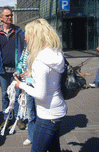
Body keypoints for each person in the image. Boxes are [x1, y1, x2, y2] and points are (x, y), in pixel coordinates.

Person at [13, 18, 68, 152]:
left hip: (47, 115)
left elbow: (40, 94)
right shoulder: (56, 53)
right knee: (54, 148)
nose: (25, 38)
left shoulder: (40, 61)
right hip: (58, 109)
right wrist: (31, 77)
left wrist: (20, 85)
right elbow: (50, 82)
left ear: (35, 37)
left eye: (27, 35)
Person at [0, 6, 26, 130]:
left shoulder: (19, 32)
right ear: (1, 18)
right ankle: (7, 117)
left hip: (17, 70)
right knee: (5, 94)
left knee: (17, 95)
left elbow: (25, 49)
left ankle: (18, 118)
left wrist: (24, 67)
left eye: (11, 15)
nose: (10, 17)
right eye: (7, 15)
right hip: (2, 70)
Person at [15, 48, 36, 146]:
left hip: (38, 86)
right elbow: (20, 62)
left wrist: (31, 73)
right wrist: (18, 71)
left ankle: (41, 136)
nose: (24, 37)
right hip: (27, 85)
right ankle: (31, 136)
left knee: (40, 113)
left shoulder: (42, 49)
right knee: (30, 113)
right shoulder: (26, 49)